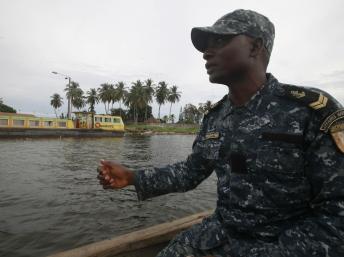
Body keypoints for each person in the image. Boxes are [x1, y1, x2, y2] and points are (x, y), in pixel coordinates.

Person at [97, 9, 344, 257]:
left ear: (255, 47)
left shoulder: (310, 112)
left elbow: (337, 215)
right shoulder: (216, 118)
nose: (206, 53)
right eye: (206, 45)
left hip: (283, 243)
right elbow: (190, 172)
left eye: (220, 41)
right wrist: (133, 177)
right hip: (221, 234)